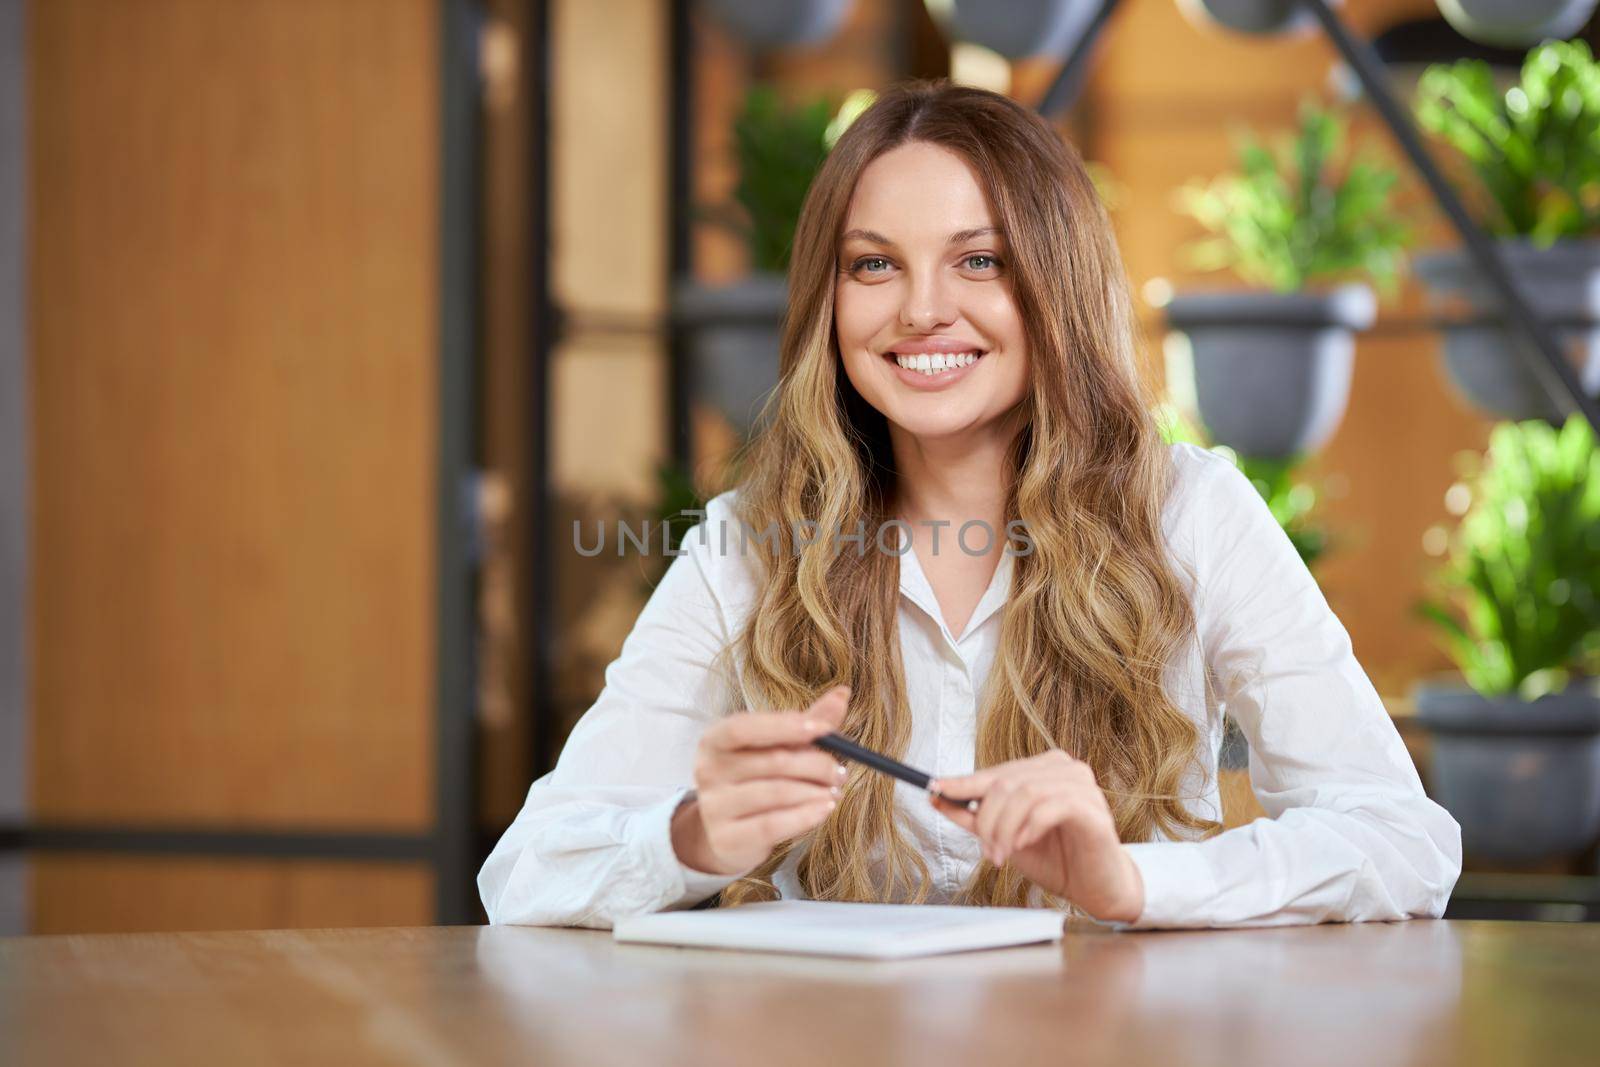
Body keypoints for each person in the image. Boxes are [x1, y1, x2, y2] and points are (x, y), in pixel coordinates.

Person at [477, 79, 1461, 930]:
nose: (919, 309)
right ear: (829, 301)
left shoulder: (1191, 514)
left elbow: (1401, 839)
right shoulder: (751, 541)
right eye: (873, 265)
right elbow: (526, 871)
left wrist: (1133, 881)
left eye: (978, 260)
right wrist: (685, 837)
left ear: (1054, 284)